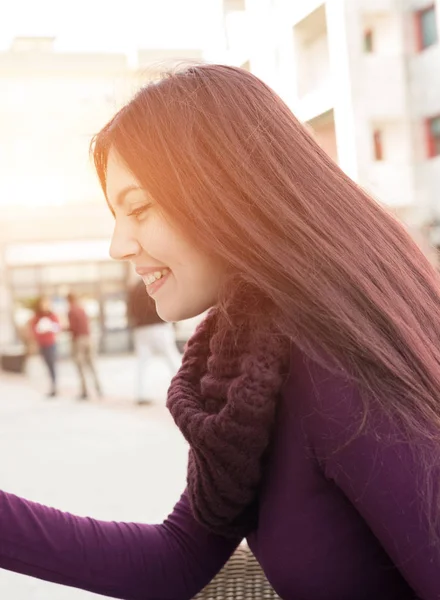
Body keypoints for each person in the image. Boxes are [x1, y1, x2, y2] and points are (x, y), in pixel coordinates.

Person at [0, 65, 440, 599]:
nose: (118, 245)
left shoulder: (331, 357)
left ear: (226, 192)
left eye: (139, 208)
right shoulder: (248, 354)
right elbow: (177, 560)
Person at [127, 278, 181, 405]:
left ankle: (141, 394)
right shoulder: (155, 283)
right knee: (172, 358)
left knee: (142, 363)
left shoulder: (134, 288)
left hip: (141, 329)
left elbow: (130, 310)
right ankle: (187, 387)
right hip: (159, 326)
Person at [67, 292, 102, 400]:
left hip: (78, 340)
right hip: (88, 338)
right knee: (91, 364)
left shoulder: (71, 310)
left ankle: (84, 391)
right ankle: (98, 388)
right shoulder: (82, 309)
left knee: (80, 365)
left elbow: (73, 327)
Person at [28, 296, 60, 397]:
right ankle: (52, 385)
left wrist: (50, 328)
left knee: (52, 365)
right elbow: (33, 329)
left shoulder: (52, 315)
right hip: (42, 343)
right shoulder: (37, 317)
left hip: (51, 343)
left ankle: (54, 386)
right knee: (47, 365)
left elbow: (57, 327)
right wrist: (39, 330)